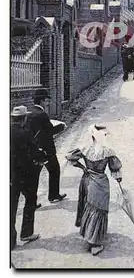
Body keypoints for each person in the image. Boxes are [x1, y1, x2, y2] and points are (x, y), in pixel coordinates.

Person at [66, 124, 122, 256]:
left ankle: (89, 234)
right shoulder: (108, 150)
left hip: (88, 179)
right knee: (99, 208)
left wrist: (82, 167)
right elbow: (115, 168)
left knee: (90, 206)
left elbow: (70, 157)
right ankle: (95, 242)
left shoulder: (85, 148)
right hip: (101, 181)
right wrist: (119, 179)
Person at [11, 105, 47, 249]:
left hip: (9, 176)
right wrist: (42, 157)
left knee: (11, 206)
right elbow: (34, 152)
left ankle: (10, 241)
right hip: (26, 175)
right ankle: (26, 233)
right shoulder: (24, 133)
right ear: (24, 119)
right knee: (30, 200)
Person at [27, 89, 67, 205]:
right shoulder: (42, 114)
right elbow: (50, 131)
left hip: (33, 149)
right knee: (54, 170)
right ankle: (53, 195)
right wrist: (61, 126)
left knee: (34, 176)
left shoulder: (30, 112)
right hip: (47, 149)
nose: (47, 103)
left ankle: (31, 203)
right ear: (42, 101)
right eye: (46, 100)